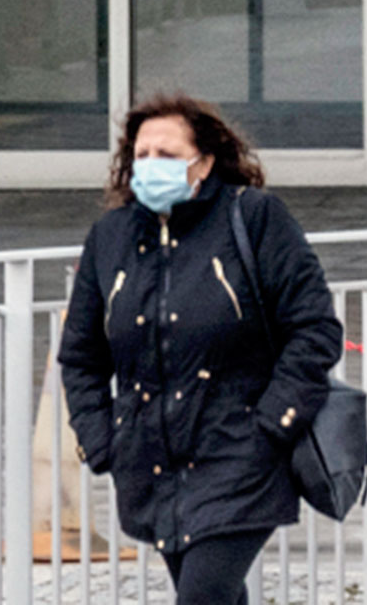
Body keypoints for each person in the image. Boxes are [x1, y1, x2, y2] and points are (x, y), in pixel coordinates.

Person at [57, 94, 343, 604]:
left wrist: (272, 424)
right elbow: (81, 355)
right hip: (151, 464)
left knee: (203, 596)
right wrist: (102, 440)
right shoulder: (110, 238)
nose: (149, 166)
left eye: (166, 155)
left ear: (204, 161)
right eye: (140, 155)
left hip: (240, 455)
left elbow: (315, 329)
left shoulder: (255, 219)